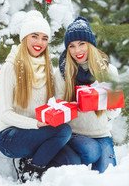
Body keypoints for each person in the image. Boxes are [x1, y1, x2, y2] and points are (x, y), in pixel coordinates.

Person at [0, 10, 76, 183]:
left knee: (72, 161)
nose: (40, 42)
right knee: (64, 131)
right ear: (25, 37)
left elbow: (52, 103)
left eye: (44, 38)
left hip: (39, 133)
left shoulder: (46, 67)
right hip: (10, 136)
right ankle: (29, 173)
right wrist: (37, 124)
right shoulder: (10, 67)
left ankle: (32, 161)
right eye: (34, 36)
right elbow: (4, 113)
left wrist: (66, 106)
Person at [54, 16, 121, 173]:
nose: (77, 51)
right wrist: (77, 105)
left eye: (82, 44)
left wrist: (106, 101)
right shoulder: (62, 73)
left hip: (102, 134)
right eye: (72, 46)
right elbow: (58, 108)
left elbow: (115, 112)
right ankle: (63, 164)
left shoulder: (109, 71)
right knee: (91, 151)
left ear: (90, 44)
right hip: (74, 135)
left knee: (108, 176)